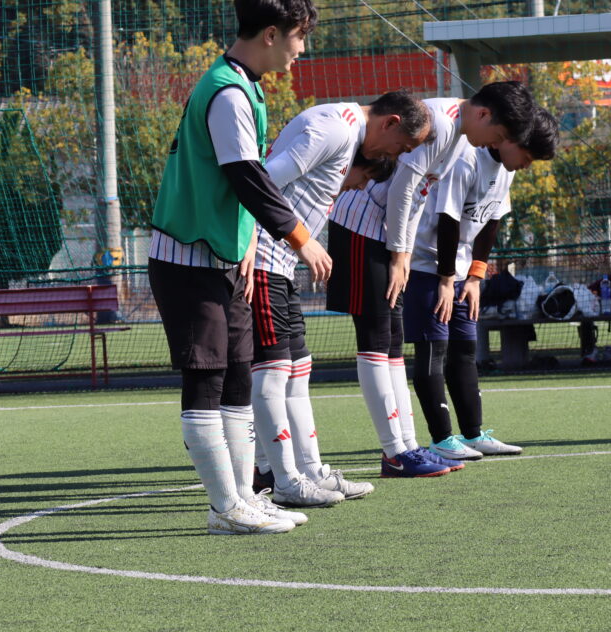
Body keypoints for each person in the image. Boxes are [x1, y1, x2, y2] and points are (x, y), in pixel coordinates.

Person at [147, 0, 331, 535]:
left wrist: (247, 238)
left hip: (224, 258)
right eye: (299, 36)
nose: (302, 49)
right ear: (271, 34)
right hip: (188, 258)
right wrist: (301, 239)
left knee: (236, 377)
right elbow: (247, 177)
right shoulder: (227, 91)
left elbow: (240, 182)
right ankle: (224, 508)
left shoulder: (244, 86)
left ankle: (245, 498)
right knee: (206, 379)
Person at [326, 81, 538, 477]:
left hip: (386, 236)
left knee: (392, 343)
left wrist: (402, 252)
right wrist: (400, 254)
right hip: (360, 228)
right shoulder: (440, 122)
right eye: (500, 134)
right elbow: (402, 191)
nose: (497, 144)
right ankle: (394, 453)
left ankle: (407, 446)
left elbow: (418, 194)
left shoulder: (460, 134)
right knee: (376, 340)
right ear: (484, 114)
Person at [249, 91, 432, 507]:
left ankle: (307, 471)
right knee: (272, 371)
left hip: (281, 263)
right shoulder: (334, 128)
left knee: (297, 369)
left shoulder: (347, 134)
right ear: (390, 123)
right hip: (261, 258)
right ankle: (279, 478)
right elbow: (260, 181)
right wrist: (296, 240)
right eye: (401, 145)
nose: (397, 155)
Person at [404, 109, 559, 460]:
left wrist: (475, 276)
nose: (527, 165)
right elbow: (447, 220)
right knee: (433, 350)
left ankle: (473, 435)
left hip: (459, 272)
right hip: (426, 266)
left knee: (464, 350)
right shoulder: (466, 159)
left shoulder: (506, 169)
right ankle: (442, 439)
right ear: (511, 139)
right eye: (528, 155)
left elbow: (492, 221)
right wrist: (446, 280)